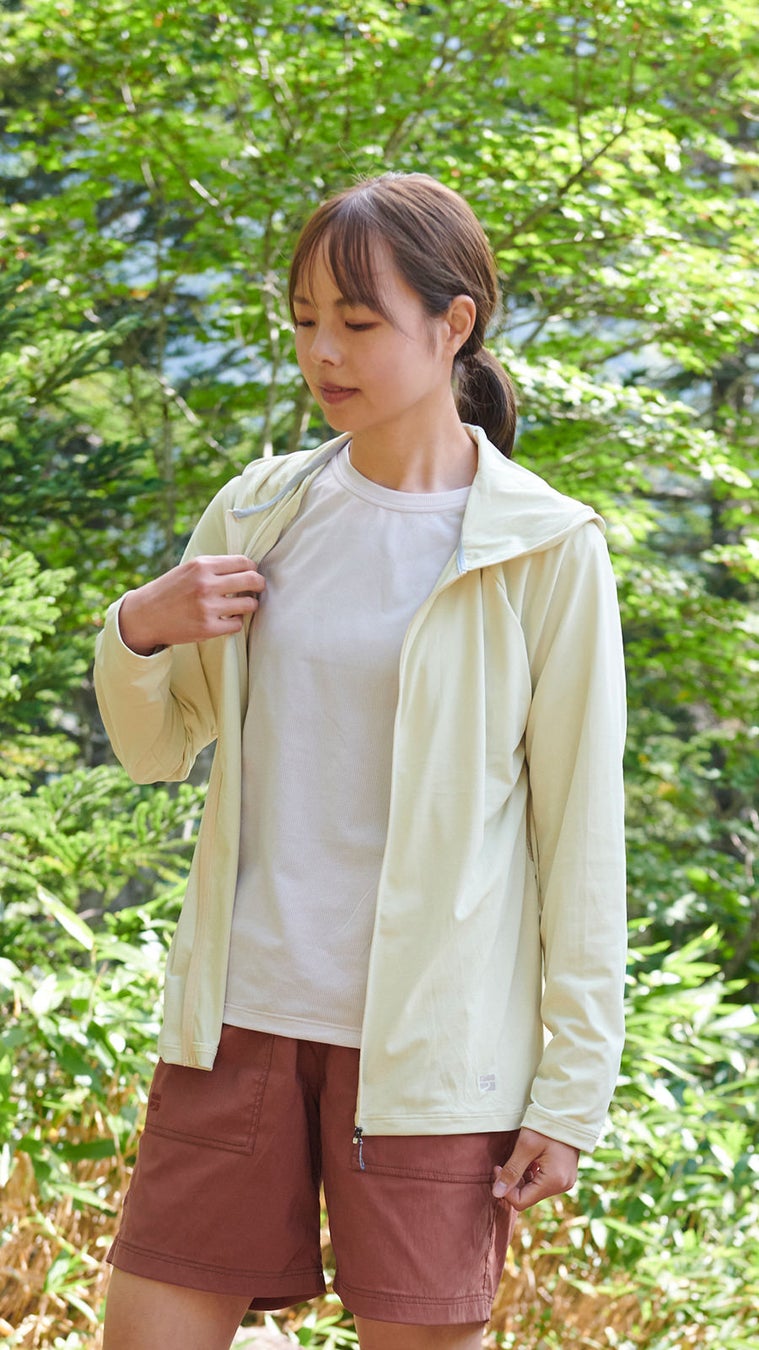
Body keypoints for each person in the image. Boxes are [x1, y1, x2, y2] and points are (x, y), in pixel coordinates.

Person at [94, 172, 627, 1350]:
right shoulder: (260, 512)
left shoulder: (544, 549)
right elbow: (156, 746)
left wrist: (572, 1093)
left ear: (453, 323)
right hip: (239, 1025)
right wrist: (138, 627)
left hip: (436, 1057)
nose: (322, 352)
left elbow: (581, 841)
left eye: (357, 320)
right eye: (302, 320)